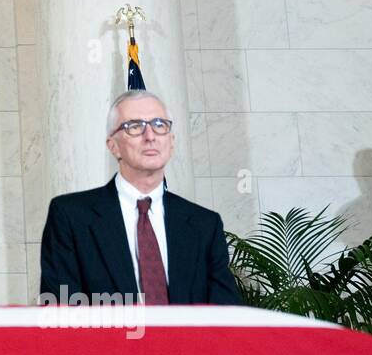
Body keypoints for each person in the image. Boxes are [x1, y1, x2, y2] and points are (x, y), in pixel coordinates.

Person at [39, 89, 243, 306]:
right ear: (113, 146)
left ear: (171, 142)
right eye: (134, 126)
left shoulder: (204, 224)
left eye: (159, 125)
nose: (150, 136)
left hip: (186, 341)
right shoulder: (71, 216)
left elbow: (226, 313)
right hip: (107, 339)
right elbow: (60, 308)